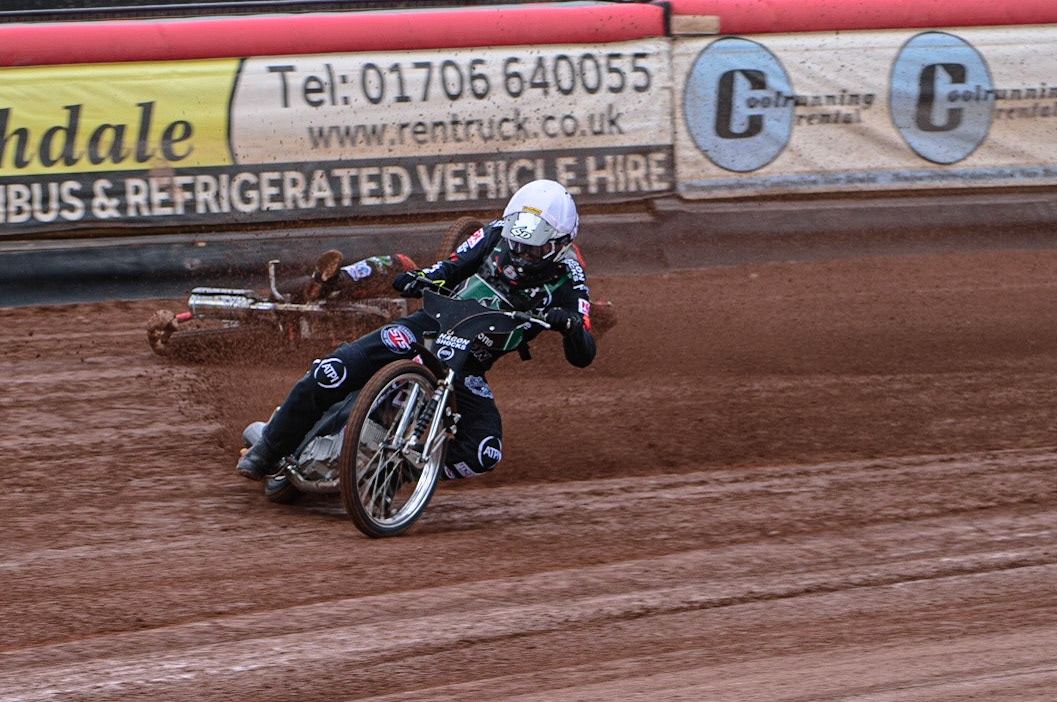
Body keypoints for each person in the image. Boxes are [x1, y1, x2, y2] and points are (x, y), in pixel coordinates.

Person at [236, 179, 597, 481]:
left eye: (534, 249)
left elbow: (584, 353)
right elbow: (449, 267)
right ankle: (268, 449)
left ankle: (394, 475)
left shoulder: (572, 275)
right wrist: (418, 278)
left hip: (471, 363)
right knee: (333, 369)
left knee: (485, 451)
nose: (520, 254)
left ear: (561, 243)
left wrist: (569, 327)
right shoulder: (497, 233)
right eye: (518, 242)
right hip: (429, 327)